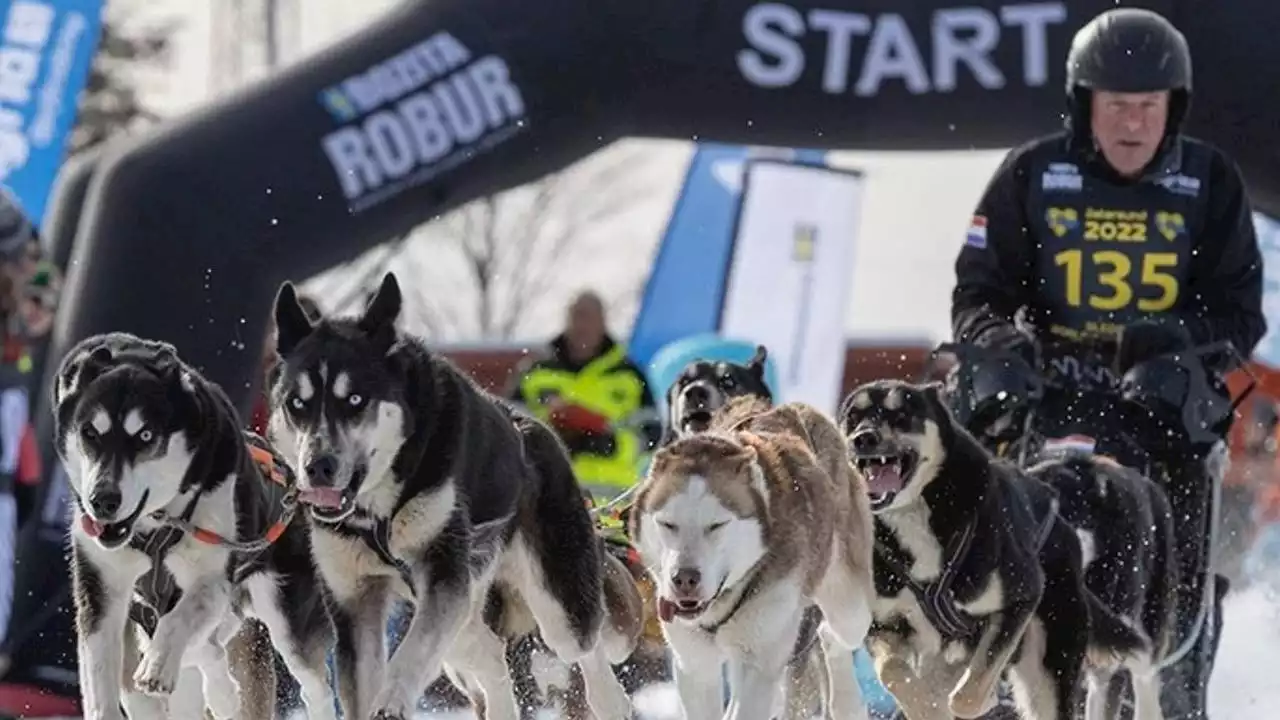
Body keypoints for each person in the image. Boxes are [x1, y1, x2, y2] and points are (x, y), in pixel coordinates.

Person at [950, 8, 1264, 718]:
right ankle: (989, 669)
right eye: (1117, 104)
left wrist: (1179, 351)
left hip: (1161, 411)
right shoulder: (1031, 173)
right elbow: (977, 292)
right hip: (1047, 392)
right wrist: (997, 346)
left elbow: (1243, 314)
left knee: (1174, 562)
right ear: (1082, 103)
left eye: (1149, 106)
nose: (1133, 123)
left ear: (1173, 108)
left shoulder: (1212, 181)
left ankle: (1173, 680)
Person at [508, 290, 660, 504]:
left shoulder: (629, 374)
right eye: (577, 316)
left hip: (612, 504)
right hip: (545, 499)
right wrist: (550, 438)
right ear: (566, 319)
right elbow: (507, 427)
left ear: (603, 322)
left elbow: (653, 434)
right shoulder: (535, 371)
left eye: (589, 317)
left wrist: (610, 443)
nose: (582, 325)